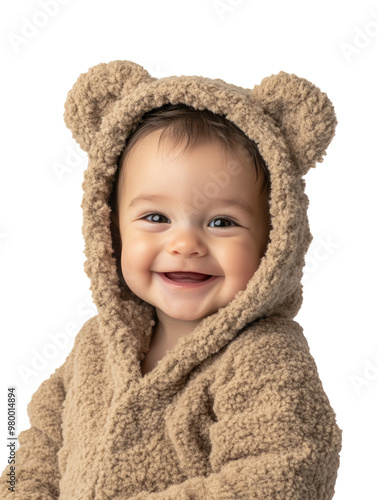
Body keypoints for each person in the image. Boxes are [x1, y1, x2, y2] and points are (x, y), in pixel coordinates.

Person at [0, 60, 343, 499]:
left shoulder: (265, 358)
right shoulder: (95, 344)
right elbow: (38, 443)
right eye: (156, 217)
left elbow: (280, 477)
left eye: (222, 222)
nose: (185, 244)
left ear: (275, 240)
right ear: (111, 230)